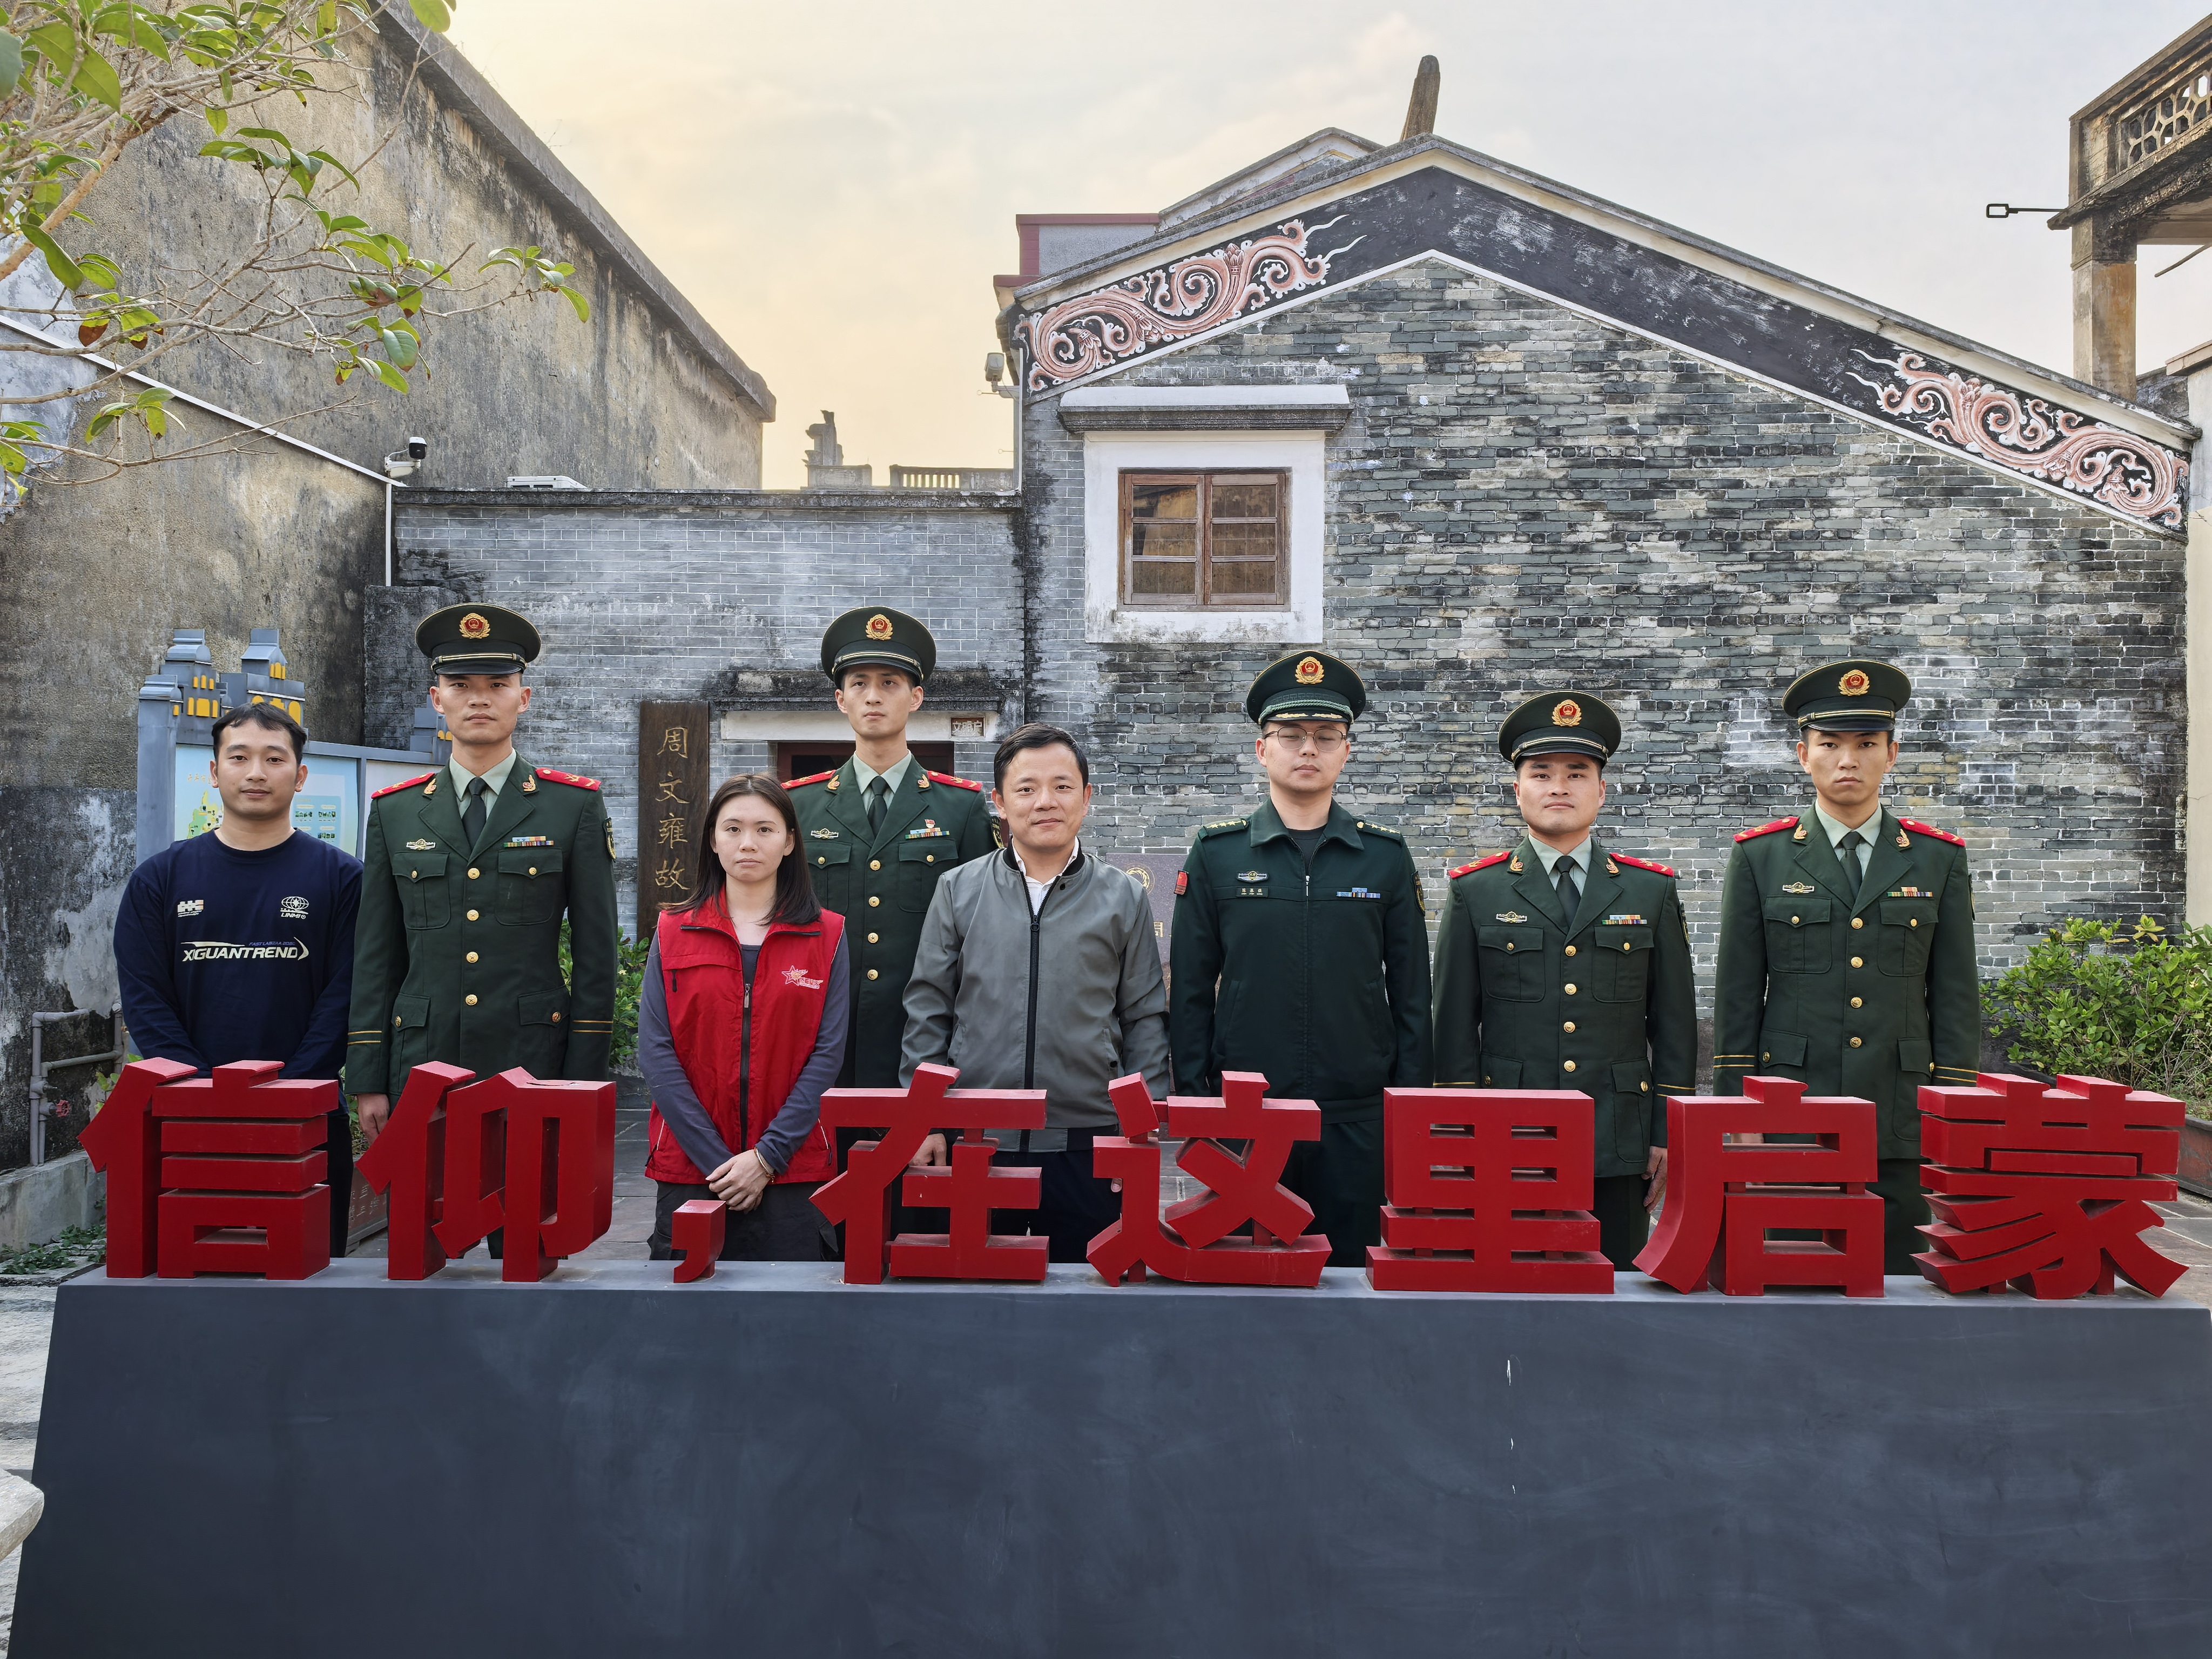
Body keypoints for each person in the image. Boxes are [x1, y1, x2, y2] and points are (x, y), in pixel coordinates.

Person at [346, 604, 619, 1237]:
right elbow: (376, 955)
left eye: (497, 685)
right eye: (461, 685)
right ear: (436, 699)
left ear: (523, 698)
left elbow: (598, 957)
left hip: (529, 1059)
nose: (479, 699)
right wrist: (367, 1077)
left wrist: (581, 1079)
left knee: (523, 1238)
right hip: (422, 1065)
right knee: (418, 1240)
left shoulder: (570, 806)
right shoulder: (396, 812)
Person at [1713, 658, 1980, 1274]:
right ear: (1802, 755)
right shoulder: (1761, 857)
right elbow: (1737, 993)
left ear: (1892, 754)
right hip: (1790, 1107)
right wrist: (1737, 1108)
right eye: (1830, 744)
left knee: (1900, 1277)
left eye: (1866, 744)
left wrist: (1956, 1107)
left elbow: (1956, 995)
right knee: (1791, 1270)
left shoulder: (1937, 859)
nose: (1847, 760)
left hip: (1900, 1108)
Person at [1169, 652, 1432, 1266]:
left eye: (1326, 736)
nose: (1308, 748)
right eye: (1291, 735)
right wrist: (1198, 1103)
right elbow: (1190, 990)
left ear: (1347, 752)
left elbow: (1413, 996)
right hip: (1248, 1115)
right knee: (1247, 1273)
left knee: (1356, 1275)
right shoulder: (1217, 854)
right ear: (1263, 750)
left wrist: (1411, 1108)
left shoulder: (1384, 858)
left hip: (1358, 1115)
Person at [1429, 692, 1696, 1268]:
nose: (1559, 787)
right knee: (1512, 1281)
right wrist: (1457, 1129)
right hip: (1508, 1128)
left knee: (1618, 1283)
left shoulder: (1649, 891)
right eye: (1541, 773)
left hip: (1617, 1134)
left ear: (1601, 790)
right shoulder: (1477, 891)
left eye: (1577, 773)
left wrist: (1669, 1132)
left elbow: (1674, 1025)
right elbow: (1453, 1026)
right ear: (1517, 789)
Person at [900, 723, 1170, 1262]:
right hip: (976, 1135)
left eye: (1062, 786)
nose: (1046, 801)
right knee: (973, 1287)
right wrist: (923, 1119)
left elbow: (1144, 1016)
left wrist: (1141, 1131)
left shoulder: (1122, 896)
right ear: (1000, 802)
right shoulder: (959, 889)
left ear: (1086, 798)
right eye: (1026, 789)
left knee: (1087, 1289)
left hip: (1087, 1137)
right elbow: (928, 1008)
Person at [114, 701, 363, 1256]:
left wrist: (289, 1094)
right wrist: (204, 1093)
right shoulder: (160, 879)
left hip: (309, 1116)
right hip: (187, 1118)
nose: (256, 773)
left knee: (309, 1275)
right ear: (214, 771)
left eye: (274, 759)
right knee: (195, 1276)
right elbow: (146, 1000)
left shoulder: (343, 879)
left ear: (300, 775)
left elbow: (347, 995)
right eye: (239, 757)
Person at [638, 775, 848, 1260]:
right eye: (732, 829)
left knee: (791, 1299)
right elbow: (657, 1053)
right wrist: (722, 1165)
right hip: (693, 1167)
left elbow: (827, 1054)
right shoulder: (673, 931)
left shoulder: (827, 934)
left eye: (764, 829)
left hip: (793, 1165)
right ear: (713, 840)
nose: (747, 843)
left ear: (789, 841)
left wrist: (768, 1157)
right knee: (689, 1299)